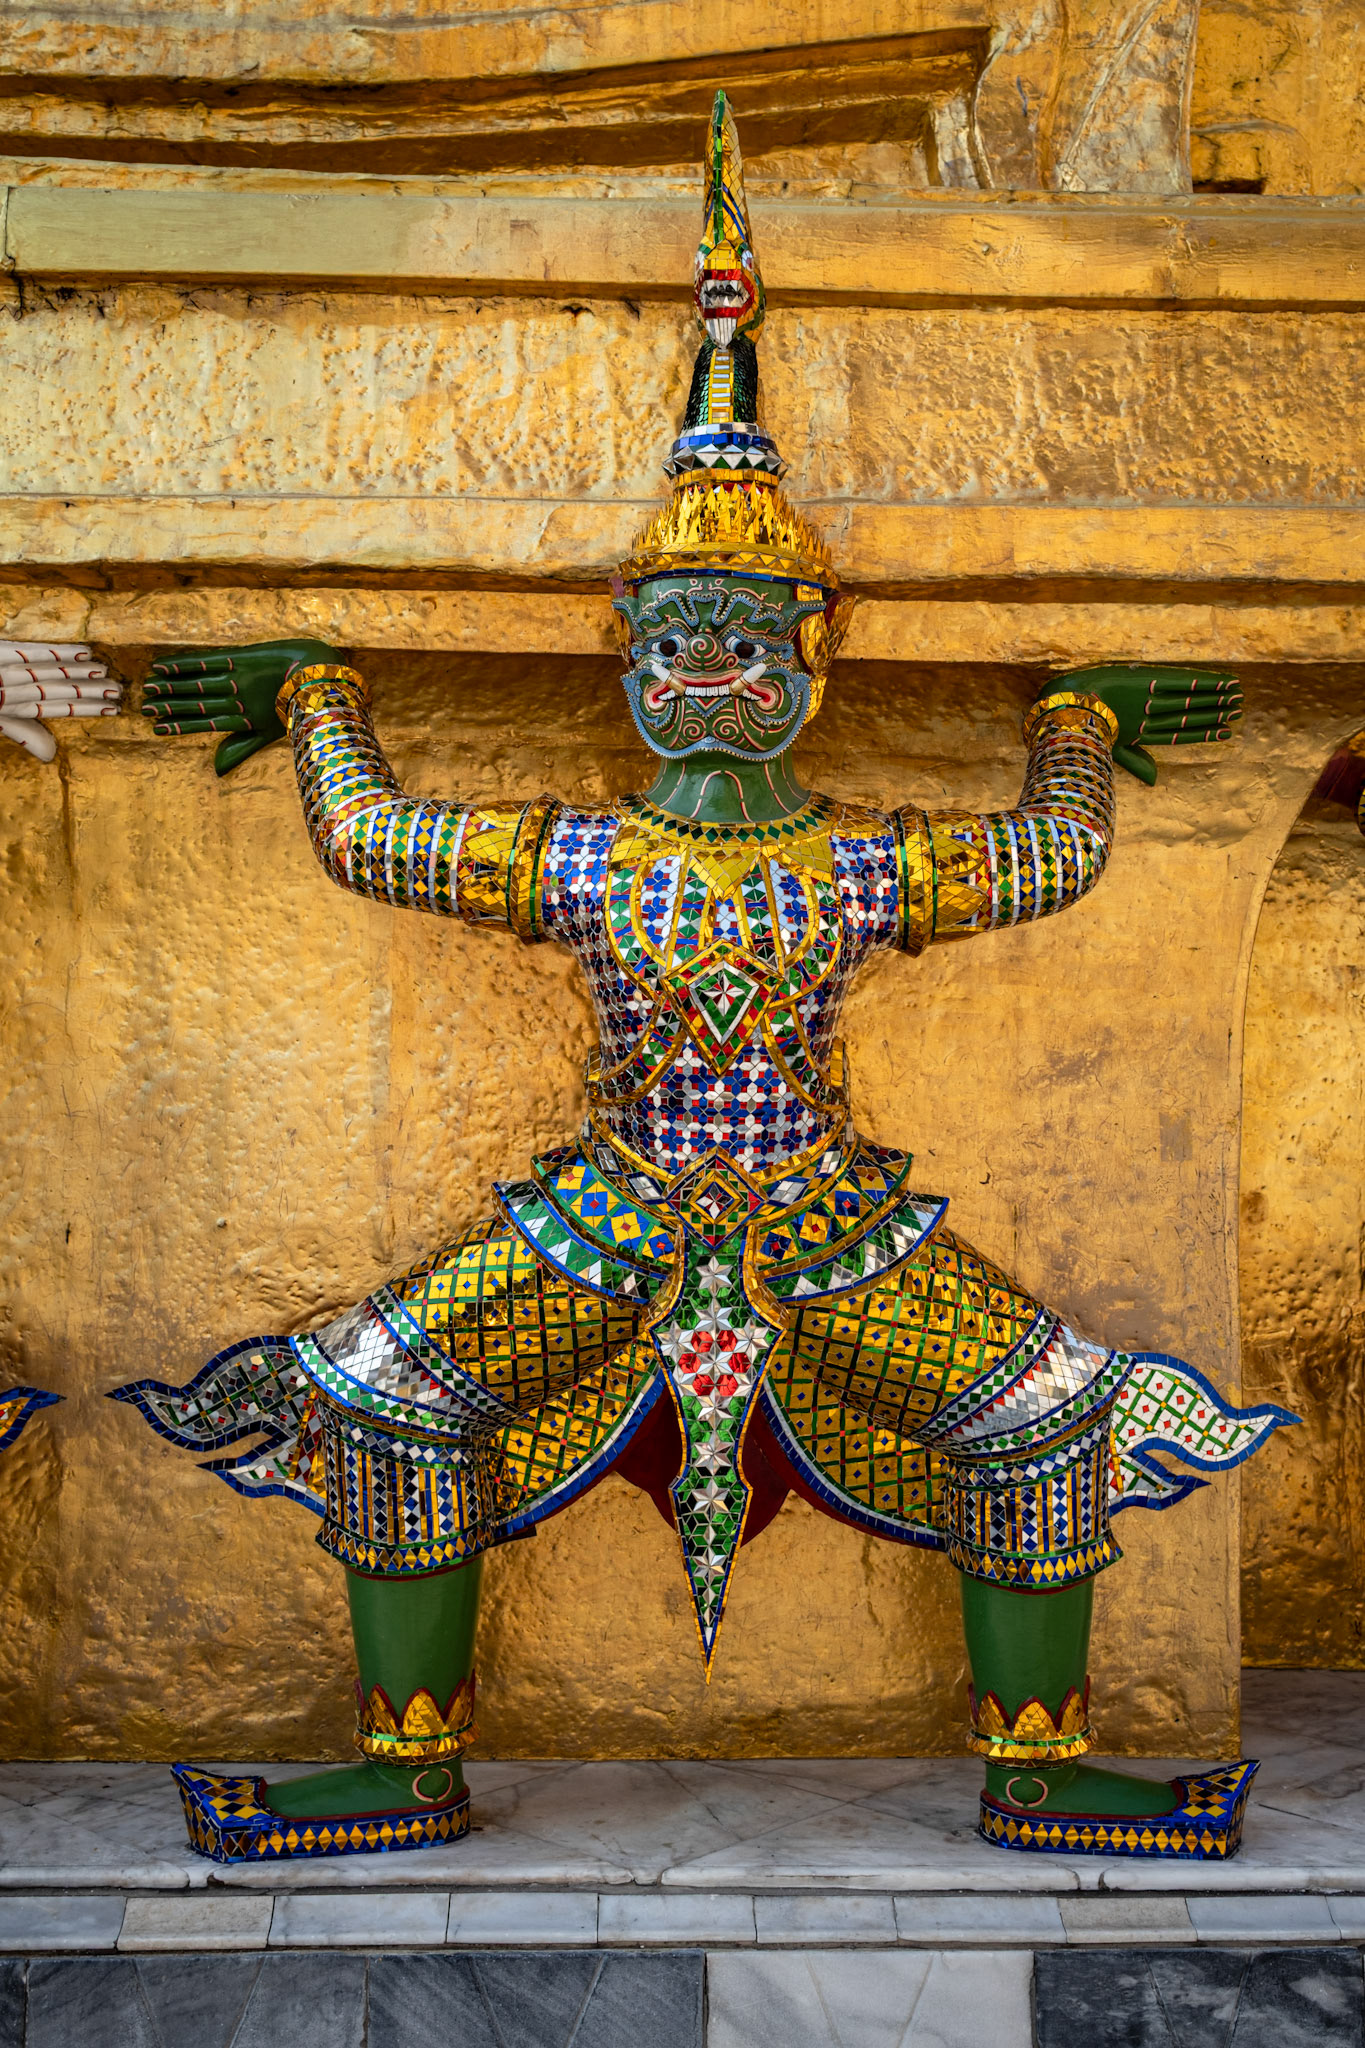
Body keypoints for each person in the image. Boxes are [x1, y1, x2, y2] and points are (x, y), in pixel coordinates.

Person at [114, 95, 1291, 1865]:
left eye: (744, 641)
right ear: (625, 659)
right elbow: (370, 840)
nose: (707, 674)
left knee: (1047, 1413)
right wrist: (318, 698)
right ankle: (407, 1763)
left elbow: (1054, 858)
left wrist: (1073, 722)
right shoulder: (578, 859)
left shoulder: (857, 862)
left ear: (813, 659)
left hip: (829, 1222)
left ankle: (1037, 1768)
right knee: (373, 1395)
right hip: (608, 1213)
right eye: (672, 642)